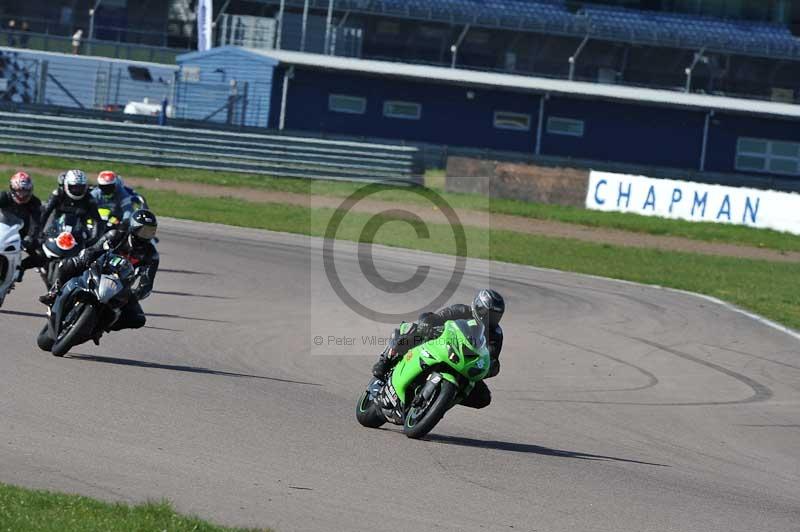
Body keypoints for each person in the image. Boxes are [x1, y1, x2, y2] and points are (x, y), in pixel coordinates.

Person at [372, 289, 505, 409]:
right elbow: (434, 317)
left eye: (495, 316)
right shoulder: (461, 310)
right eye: (488, 313)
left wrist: (489, 368)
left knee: (483, 398)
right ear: (478, 306)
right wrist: (428, 324)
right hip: (441, 344)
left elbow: (492, 358)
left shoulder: (496, 334)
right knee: (415, 330)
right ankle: (385, 361)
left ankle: (441, 401)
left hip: (464, 363)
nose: (490, 319)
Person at [39, 209, 159, 337]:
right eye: (143, 231)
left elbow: (147, 282)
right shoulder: (116, 235)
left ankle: (101, 327)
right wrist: (87, 256)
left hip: (122, 283)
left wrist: (138, 293)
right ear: (133, 228)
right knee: (65, 265)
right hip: (100, 267)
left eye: (150, 232)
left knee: (138, 319)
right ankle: (54, 292)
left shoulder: (152, 255)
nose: (146, 235)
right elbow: (95, 248)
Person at [0, 171, 42, 279]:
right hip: (2, 233)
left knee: (41, 256)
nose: (22, 195)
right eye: (19, 191)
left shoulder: (35, 202)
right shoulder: (3, 197)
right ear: (12, 189)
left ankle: (21, 267)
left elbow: (36, 223)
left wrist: (30, 238)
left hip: (23, 236)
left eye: (25, 191)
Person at [39, 169, 103, 237]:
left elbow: (98, 221)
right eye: (74, 187)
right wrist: (39, 232)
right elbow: (45, 213)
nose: (77, 190)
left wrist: (95, 239)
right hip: (56, 229)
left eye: (80, 188)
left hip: (80, 233)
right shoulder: (58, 194)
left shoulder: (89, 198)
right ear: (66, 185)